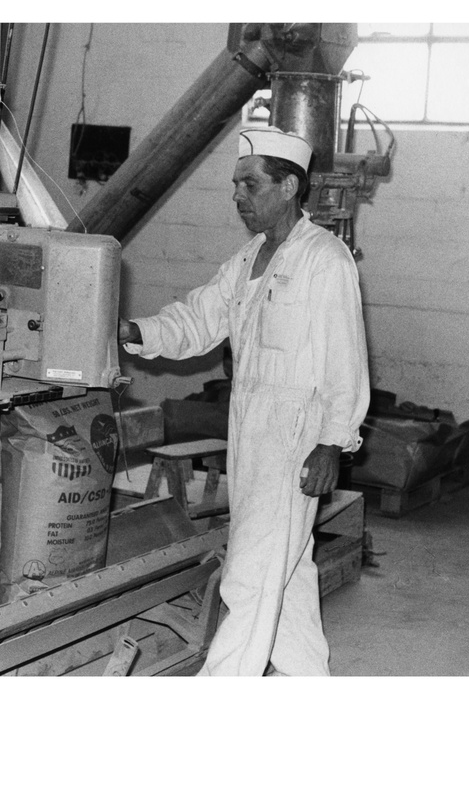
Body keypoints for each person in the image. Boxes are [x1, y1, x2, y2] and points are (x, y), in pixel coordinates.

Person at [119, 124, 369, 676]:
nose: (237, 197)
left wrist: (332, 443)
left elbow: (346, 361)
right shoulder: (249, 258)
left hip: (294, 433)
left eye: (249, 185)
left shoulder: (324, 260)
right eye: (235, 185)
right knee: (288, 565)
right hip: (250, 425)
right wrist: (133, 332)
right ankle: (306, 678)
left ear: (288, 187)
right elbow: (198, 318)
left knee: (252, 574)